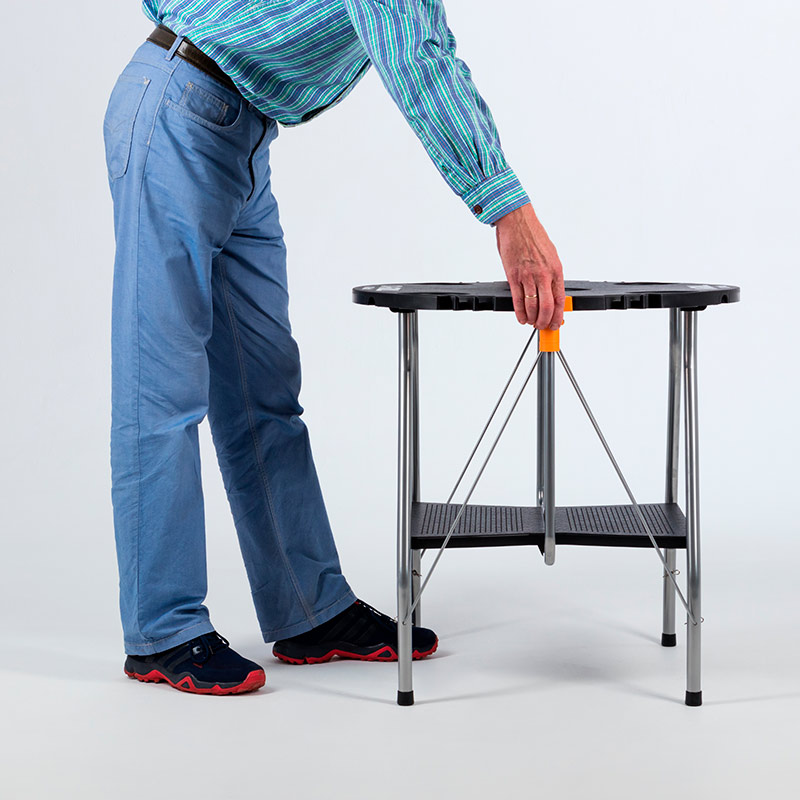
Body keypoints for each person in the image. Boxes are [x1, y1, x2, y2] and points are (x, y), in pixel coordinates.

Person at [103, 0, 566, 696]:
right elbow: (415, 59)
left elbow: (425, 42)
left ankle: (310, 610)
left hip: (237, 130)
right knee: (162, 390)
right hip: (178, 109)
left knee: (265, 394)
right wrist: (508, 210)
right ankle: (162, 631)